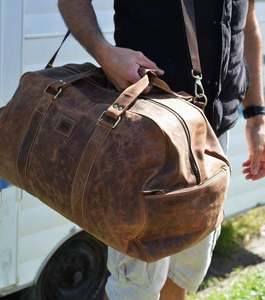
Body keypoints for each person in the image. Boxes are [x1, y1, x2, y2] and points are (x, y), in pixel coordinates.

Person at [58, 0, 265, 299]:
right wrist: (104, 53)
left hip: (214, 134)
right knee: (133, 285)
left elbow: (248, 21)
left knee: (185, 268)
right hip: (148, 132)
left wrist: (256, 116)